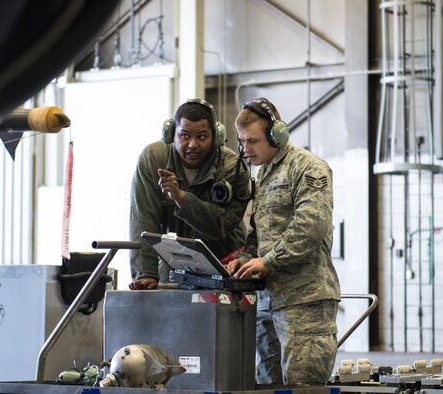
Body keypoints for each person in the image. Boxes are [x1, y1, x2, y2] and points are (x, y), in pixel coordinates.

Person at [227, 97, 341, 385]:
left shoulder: (307, 168)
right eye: (242, 141)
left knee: (302, 388)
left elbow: (310, 227)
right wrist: (242, 260)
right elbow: (258, 234)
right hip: (268, 302)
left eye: (252, 141)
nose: (245, 149)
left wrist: (267, 261)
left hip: (305, 304)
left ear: (276, 134)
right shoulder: (264, 173)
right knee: (268, 386)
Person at [129, 98, 252, 290]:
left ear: (216, 137)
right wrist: (146, 274)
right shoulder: (154, 159)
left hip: (225, 262)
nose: (193, 144)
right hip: (178, 261)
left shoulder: (231, 167)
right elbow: (143, 218)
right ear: (171, 134)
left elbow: (219, 225)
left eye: (202, 137)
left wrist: (181, 198)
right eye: (184, 136)